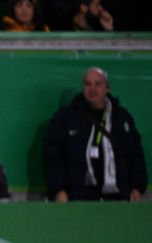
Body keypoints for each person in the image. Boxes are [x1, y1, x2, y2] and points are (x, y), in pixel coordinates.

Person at [44, 67, 146, 202]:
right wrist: (58, 190)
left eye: (98, 84)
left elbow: (135, 155)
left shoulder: (122, 118)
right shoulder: (66, 118)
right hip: (78, 198)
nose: (92, 89)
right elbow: (53, 156)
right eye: (88, 84)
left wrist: (137, 187)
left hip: (118, 197)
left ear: (107, 88)